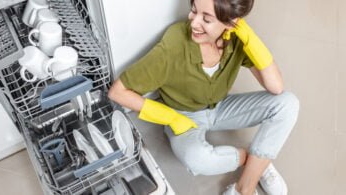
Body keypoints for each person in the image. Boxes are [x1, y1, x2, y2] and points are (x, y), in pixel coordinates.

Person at [108, 0, 299, 194]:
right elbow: (117, 92)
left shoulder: (236, 38)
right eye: (194, 11)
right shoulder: (173, 45)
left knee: (287, 104)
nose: (194, 22)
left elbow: (276, 87)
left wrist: (250, 37)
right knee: (197, 159)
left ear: (231, 23)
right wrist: (171, 117)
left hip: (221, 106)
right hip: (185, 116)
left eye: (206, 19)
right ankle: (257, 163)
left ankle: (244, 188)